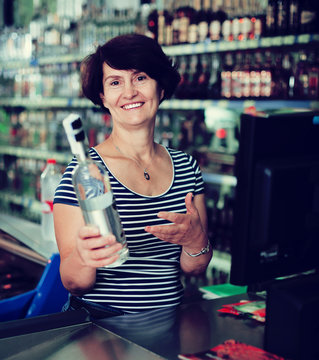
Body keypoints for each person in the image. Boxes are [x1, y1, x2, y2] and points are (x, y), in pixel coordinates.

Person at [53, 33, 212, 315]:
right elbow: (74, 282)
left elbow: (195, 268)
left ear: (160, 88)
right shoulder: (85, 174)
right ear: (103, 97)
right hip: (102, 326)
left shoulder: (187, 168)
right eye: (115, 82)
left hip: (168, 323)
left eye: (140, 78)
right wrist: (84, 256)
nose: (129, 92)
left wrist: (196, 241)